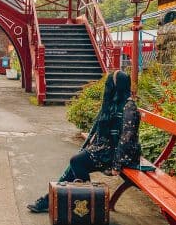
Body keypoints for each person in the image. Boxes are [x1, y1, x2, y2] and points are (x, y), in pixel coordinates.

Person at [27, 70, 141, 213]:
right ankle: (55, 200)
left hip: (120, 156)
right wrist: (90, 146)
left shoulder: (128, 107)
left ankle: (86, 203)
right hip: (107, 149)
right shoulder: (113, 103)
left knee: (77, 162)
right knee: (76, 163)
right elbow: (100, 131)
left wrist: (117, 165)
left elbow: (127, 139)